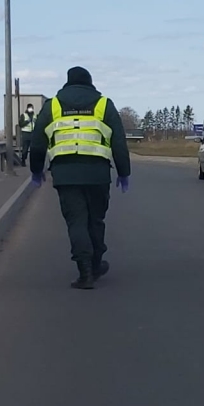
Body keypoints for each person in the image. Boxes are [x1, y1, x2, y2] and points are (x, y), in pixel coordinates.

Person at [28, 66, 131, 289]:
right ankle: (95, 264)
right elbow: (119, 143)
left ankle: (85, 272)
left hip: (66, 175)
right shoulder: (104, 104)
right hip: (97, 174)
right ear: (90, 82)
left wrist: (36, 170)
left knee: (76, 222)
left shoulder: (53, 105)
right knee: (95, 220)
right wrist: (124, 172)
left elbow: (37, 143)